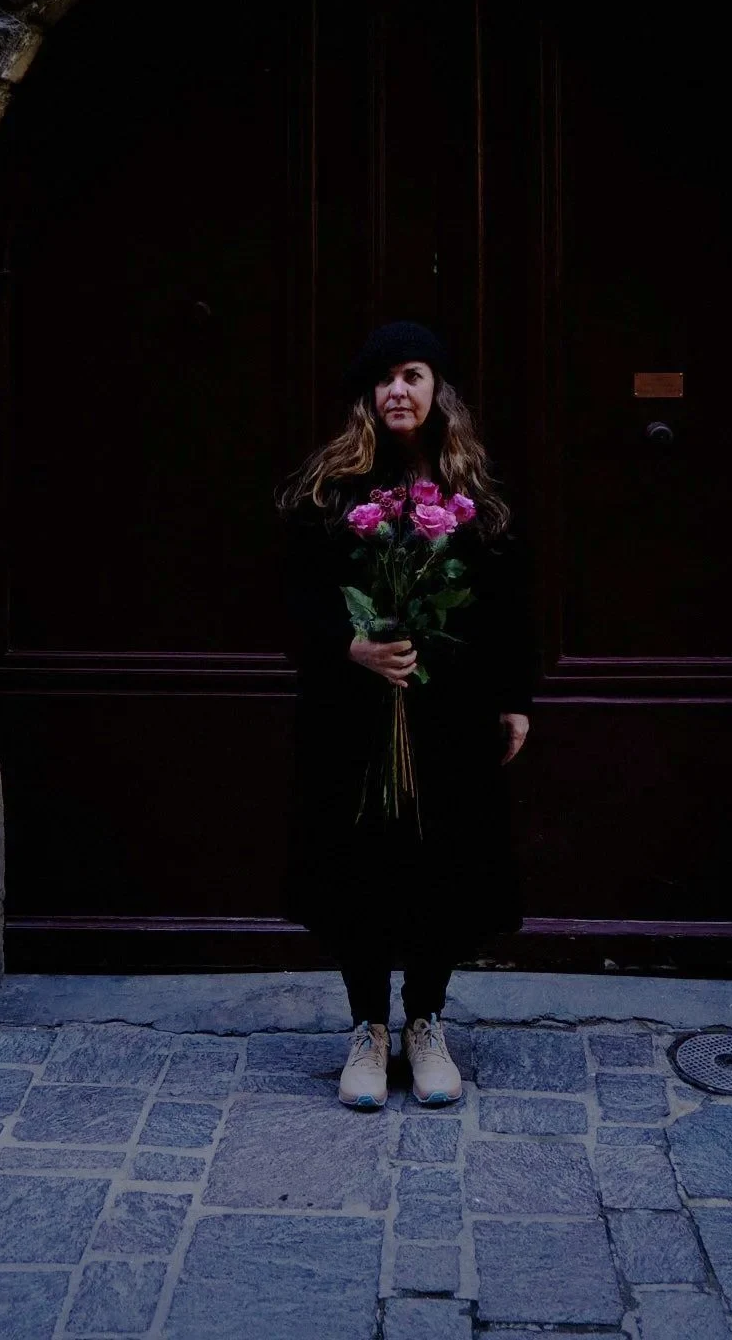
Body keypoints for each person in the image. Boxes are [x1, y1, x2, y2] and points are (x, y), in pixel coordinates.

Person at [280, 321, 536, 1110]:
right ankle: (366, 1029)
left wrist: (514, 697)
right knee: (359, 866)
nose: (398, 391)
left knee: (441, 863)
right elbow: (290, 600)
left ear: (436, 390)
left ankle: (425, 1022)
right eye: (384, 379)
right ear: (367, 396)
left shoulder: (472, 492)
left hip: (448, 712)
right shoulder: (328, 491)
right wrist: (349, 648)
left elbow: (507, 604)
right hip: (351, 714)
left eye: (412, 375)